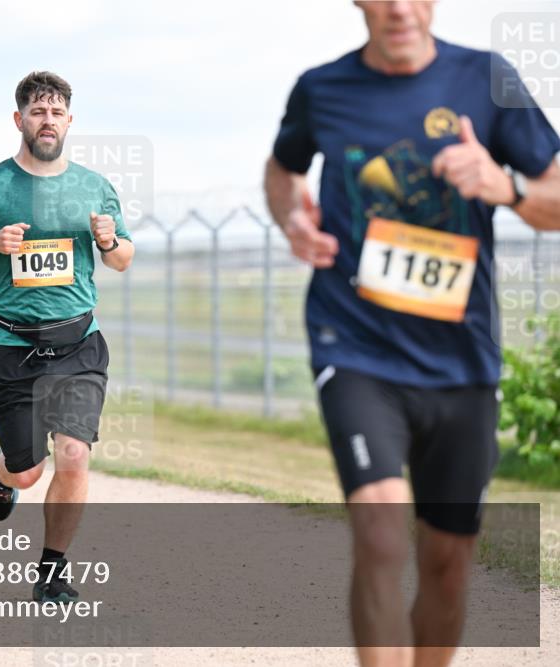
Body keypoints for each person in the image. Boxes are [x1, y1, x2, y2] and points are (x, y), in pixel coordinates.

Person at [263, 2, 560, 665]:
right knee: (381, 533)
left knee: (447, 561)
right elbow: (282, 169)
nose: (399, 7)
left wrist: (505, 187)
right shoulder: (322, 88)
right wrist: (293, 221)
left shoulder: (488, 79)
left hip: (462, 360)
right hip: (354, 344)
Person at [0, 71, 134, 603]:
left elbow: (122, 259)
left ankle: (52, 571)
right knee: (28, 473)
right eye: (37, 112)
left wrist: (110, 240)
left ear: (69, 121)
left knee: (74, 454)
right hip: (9, 347)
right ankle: (3, 472)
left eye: (56, 113)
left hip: (78, 344)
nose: (47, 121)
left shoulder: (94, 187)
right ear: (19, 119)